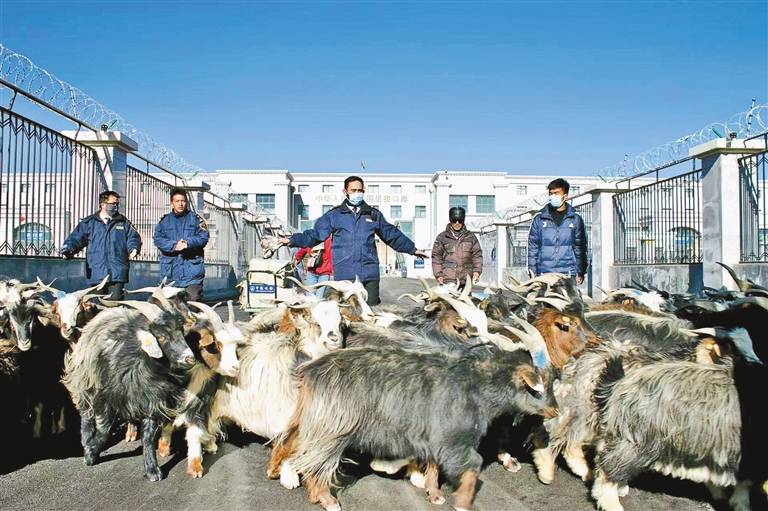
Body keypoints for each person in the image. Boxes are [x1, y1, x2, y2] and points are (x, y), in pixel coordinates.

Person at [277, 175, 428, 306]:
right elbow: (315, 234)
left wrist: (412, 249)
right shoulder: (334, 215)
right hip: (345, 274)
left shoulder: (373, 214)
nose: (357, 194)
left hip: (369, 274)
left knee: (371, 312)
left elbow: (391, 234)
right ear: (345, 192)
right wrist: (292, 240)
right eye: (353, 190)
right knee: (346, 313)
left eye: (360, 190)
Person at [60, 191, 142, 300]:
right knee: (96, 305)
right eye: (112, 204)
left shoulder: (123, 222)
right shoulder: (90, 223)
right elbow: (76, 238)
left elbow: (133, 237)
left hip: (117, 271)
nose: (115, 206)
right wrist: (68, 250)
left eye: (117, 204)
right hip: (96, 271)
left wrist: (134, 249)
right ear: (103, 204)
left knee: (115, 305)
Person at [153, 188, 210, 301]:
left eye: (183, 201)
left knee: (193, 304)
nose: (180, 204)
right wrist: (174, 245)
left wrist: (188, 243)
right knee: (171, 307)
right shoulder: (164, 221)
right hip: (171, 274)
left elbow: (203, 237)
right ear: (172, 203)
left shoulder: (196, 219)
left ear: (186, 202)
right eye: (177, 201)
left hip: (192, 274)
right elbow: (158, 239)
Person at [527, 178, 588, 284]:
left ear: (565, 196)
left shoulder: (575, 219)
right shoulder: (539, 219)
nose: (552, 196)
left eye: (556, 193)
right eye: (550, 194)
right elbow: (533, 248)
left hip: (567, 273)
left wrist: (581, 271)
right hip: (544, 273)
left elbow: (580, 247)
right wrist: (532, 272)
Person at [432, 206, 483, 287]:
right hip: (448, 278)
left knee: (466, 296)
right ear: (450, 220)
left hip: (466, 279)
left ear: (463, 220)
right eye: (454, 220)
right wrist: (438, 275)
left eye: (460, 220)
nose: (457, 223)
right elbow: (436, 257)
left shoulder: (471, 237)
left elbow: (477, 255)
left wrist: (477, 271)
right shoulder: (442, 237)